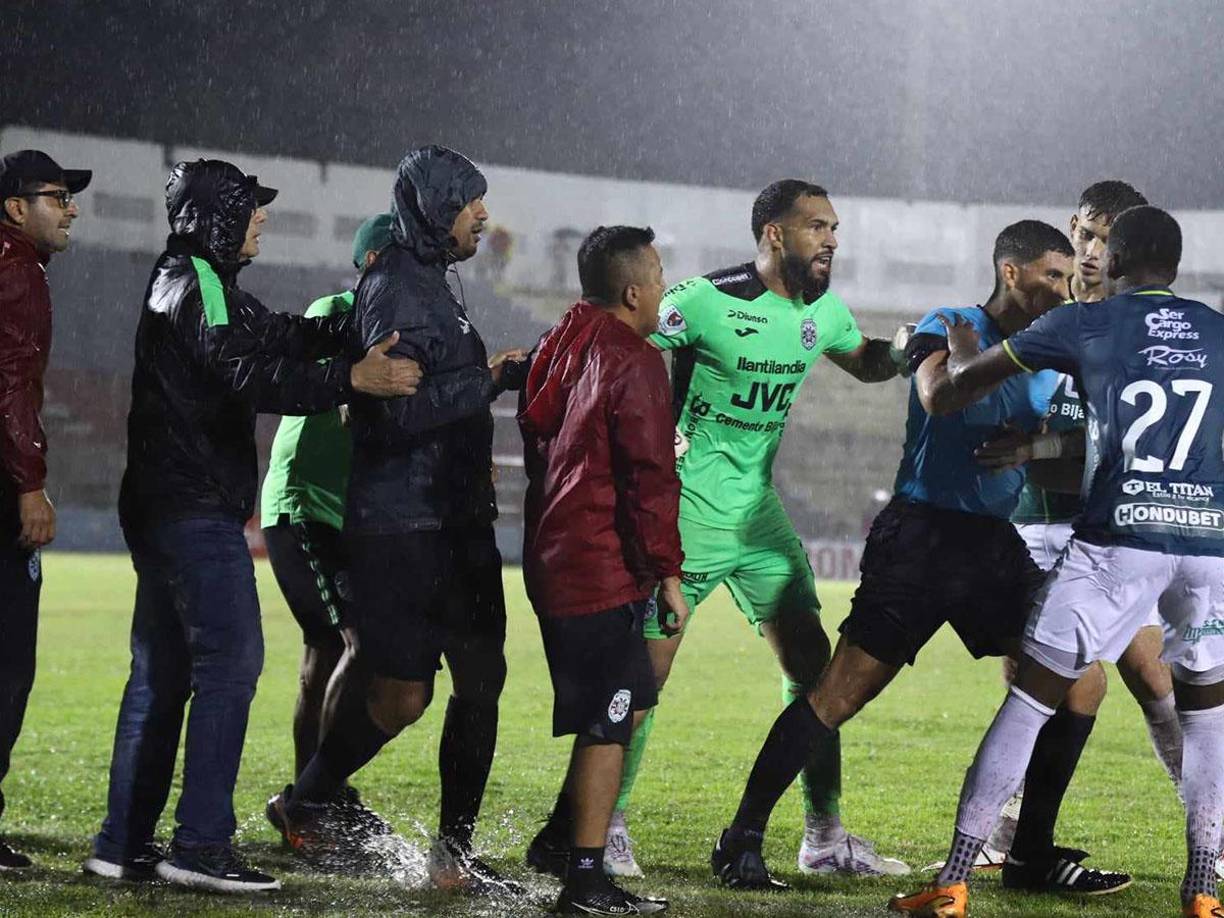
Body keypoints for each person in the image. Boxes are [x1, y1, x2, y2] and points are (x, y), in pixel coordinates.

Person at [711, 219, 1130, 895]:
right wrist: (977, 354)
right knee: (840, 691)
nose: (1064, 286)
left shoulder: (1051, 355)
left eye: (1067, 276)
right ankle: (742, 840)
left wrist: (1036, 450)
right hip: (922, 539)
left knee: (1081, 683)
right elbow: (939, 395)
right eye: (1052, 274)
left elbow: (1070, 459)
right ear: (1012, 273)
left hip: (993, 547)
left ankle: (1029, 854)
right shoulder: (951, 320)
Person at [535, 179, 910, 881]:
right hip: (686, 516)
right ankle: (603, 829)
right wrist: (644, 425)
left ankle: (824, 836)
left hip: (758, 516)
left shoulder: (821, 312)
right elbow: (623, 329)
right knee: (642, 685)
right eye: (816, 227)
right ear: (773, 234)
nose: (831, 239)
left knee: (816, 672)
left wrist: (898, 354)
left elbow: (861, 360)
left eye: (834, 228)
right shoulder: (705, 301)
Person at [83, 159, 420, 893]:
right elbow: (252, 374)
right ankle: (199, 846)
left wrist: (344, 322)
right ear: (215, 218)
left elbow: (277, 336)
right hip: (191, 508)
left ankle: (124, 844)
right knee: (230, 665)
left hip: (169, 504)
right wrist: (352, 378)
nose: (261, 219)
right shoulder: (196, 284)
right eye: (250, 209)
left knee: (162, 676)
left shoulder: (197, 281)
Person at [891, 205, 1224, 918]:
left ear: (1117, 258)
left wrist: (951, 345)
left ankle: (953, 882)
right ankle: (1203, 889)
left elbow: (952, 391)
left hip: (1116, 544)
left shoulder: (1083, 321)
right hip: (1204, 547)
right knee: (1204, 720)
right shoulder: (1216, 329)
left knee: (1031, 701)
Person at [271, 146, 527, 895]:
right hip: (402, 526)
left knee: (482, 678)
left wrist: (488, 388)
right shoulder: (390, 289)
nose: (482, 214)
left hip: (454, 520)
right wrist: (489, 382)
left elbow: (437, 395)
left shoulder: (437, 287)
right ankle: (307, 799)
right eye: (469, 201)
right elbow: (390, 419)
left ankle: (453, 858)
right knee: (402, 696)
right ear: (433, 206)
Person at [973, 181, 1190, 876]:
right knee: (1059, 686)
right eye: (1085, 237)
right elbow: (1015, 435)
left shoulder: (1140, 335)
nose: (1092, 255)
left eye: (1106, 242)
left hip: (1115, 535)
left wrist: (1047, 449)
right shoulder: (1048, 321)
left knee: (1164, 687)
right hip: (1038, 531)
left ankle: (1208, 830)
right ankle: (1002, 835)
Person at [519, 225, 684, 915]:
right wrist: (669, 574)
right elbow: (649, 479)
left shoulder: (563, 336)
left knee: (630, 696)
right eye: (660, 277)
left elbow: (535, 422)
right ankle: (583, 879)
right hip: (597, 564)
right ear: (634, 291)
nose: (665, 290)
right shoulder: (636, 360)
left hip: (553, 551)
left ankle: (562, 840)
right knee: (612, 717)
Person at [260, 212, 395, 791]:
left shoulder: (403, 327)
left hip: (345, 516)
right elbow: (328, 385)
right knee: (358, 644)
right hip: (304, 505)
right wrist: (351, 384)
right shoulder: (333, 314)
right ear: (370, 263)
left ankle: (309, 800)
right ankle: (317, 796)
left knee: (325, 653)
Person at [0, 149, 89, 871]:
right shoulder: (16, 272)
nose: (70, 208)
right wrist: (30, 484)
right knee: (7, 666)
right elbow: (11, 386)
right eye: (56, 196)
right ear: (14, 207)